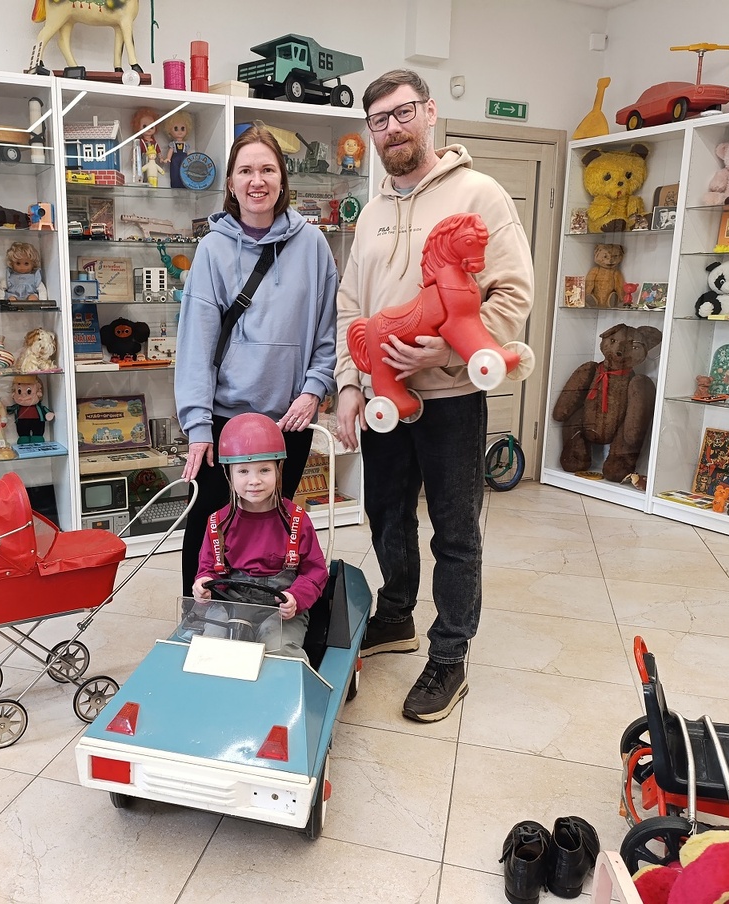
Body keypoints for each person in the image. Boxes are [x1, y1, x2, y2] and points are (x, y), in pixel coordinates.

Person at [334, 69, 534, 723]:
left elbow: (511, 295)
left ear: (429, 112)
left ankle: (450, 654)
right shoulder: (370, 214)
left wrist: (445, 352)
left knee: (454, 530)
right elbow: (350, 308)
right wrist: (349, 383)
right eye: (379, 120)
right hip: (383, 399)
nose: (392, 128)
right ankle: (396, 616)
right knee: (386, 516)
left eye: (402, 113)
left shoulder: (480, 194)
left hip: (450, 399)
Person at [175, 124, 339, 598]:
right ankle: (198, 617)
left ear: (282, 179)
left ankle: (265, 616)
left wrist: (314, 389)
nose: (257, 180)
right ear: (230, 183)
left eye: (267, 169)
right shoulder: (212, 248)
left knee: (274, 531)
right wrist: (198, 426)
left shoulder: (313, 245)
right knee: (209, 528)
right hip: (224, 422)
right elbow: (196, 345)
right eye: (245, 170)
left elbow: (329, 330)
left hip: (289, 420)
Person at [190, 413, 328, 661]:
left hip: (282, 608)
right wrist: (203, 583)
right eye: (243, 471)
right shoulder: (217, 523)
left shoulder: (297, 520)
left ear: (278, 470)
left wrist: (296, 597)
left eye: (264, 470)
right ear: (229, 474)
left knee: (279, 651)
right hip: (229, 604)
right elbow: (207, 569)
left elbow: (315, 572)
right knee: (210, 649)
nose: (254, 481)